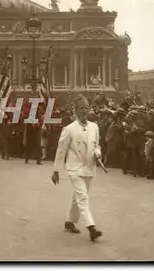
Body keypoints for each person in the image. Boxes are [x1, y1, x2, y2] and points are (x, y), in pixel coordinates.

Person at [51, 95, 103, 242]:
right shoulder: (69, 129)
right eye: (81, 109)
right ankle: (91, 227)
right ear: (76, 111)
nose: (85, 111)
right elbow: (61, 150)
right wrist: (56, 171)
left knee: (78, 196)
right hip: (75, 168)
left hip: (89, 168)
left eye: (87, 108)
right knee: (82, 198)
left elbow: (96, 146)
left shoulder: (94, 127)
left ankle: (69, 221)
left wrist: (98, 153)